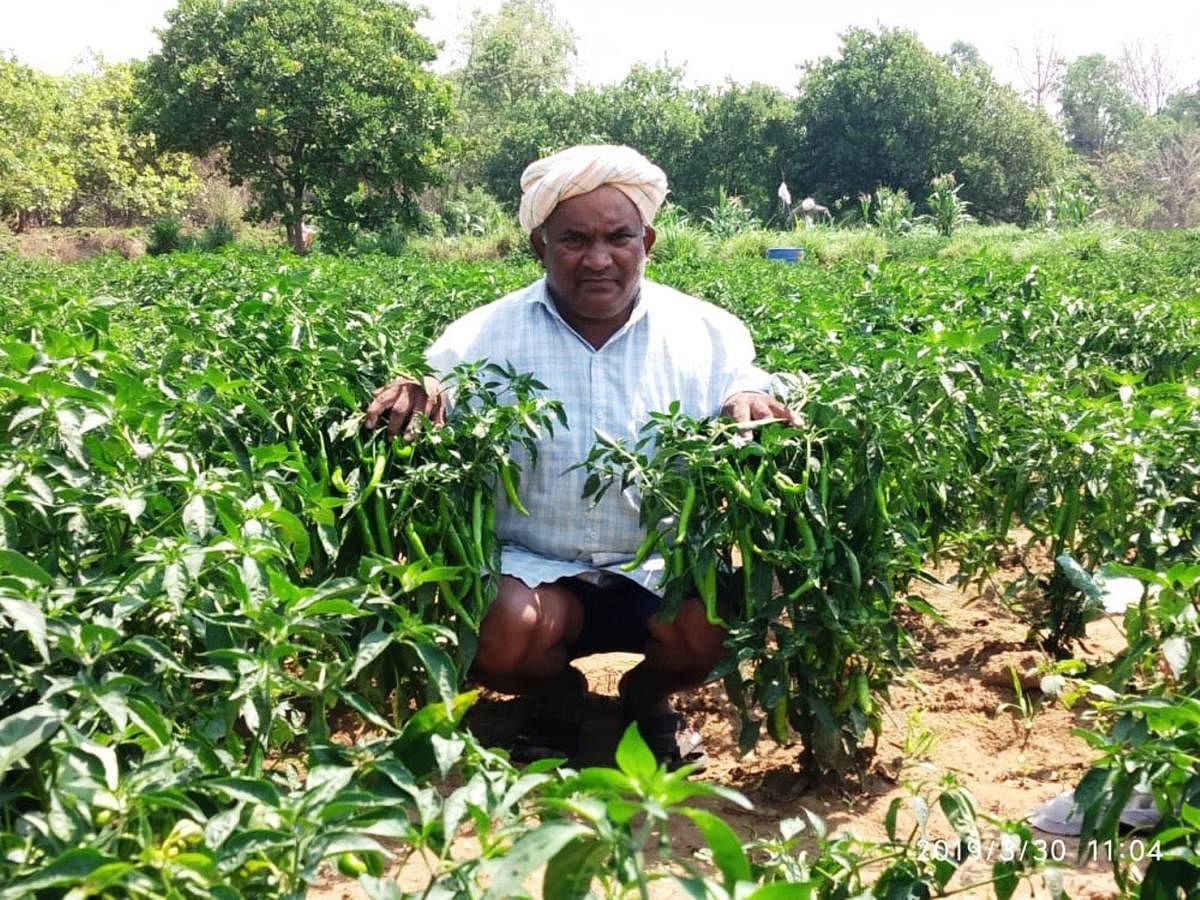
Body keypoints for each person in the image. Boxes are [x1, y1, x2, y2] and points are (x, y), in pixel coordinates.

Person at [364, 144, 799, 769]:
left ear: (647, 239)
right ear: (540, 246)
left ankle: (647, 697)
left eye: (618, 237)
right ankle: (556, 696)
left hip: (655, 567)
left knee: (715, 621)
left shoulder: (704, 330)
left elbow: (744, 381)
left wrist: (752, 396)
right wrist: (418, 389)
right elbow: (437, 387)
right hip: (535, 570)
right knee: (501, 632)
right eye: (573, 240)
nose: (598, 259)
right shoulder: (486, 333)